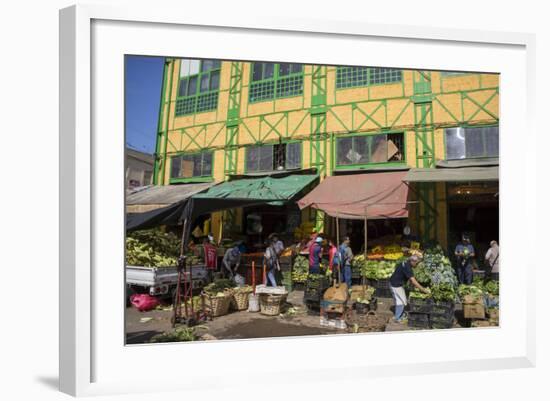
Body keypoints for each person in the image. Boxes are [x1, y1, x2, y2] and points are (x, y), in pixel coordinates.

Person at [389, 255, 430, 322]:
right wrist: (423, 290)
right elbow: (413, 281)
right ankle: (397, 318)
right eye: (416, 263)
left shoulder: (405, 262)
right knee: (402, 302)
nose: (417, 265)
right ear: (412, 261)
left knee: (401, 300)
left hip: (394, 282)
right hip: (395, 285)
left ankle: (399, 316)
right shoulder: (407, 268)